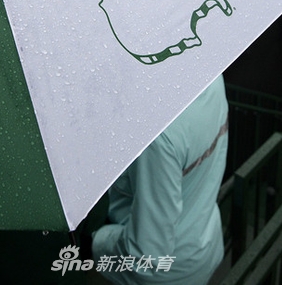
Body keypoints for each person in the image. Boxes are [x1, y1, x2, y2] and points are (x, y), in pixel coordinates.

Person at [91, 75, 229, 285]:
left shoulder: (157, 134)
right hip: (206, 242)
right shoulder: (212, 78)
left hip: (168, 272)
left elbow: (146, 254)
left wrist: (98, 240)